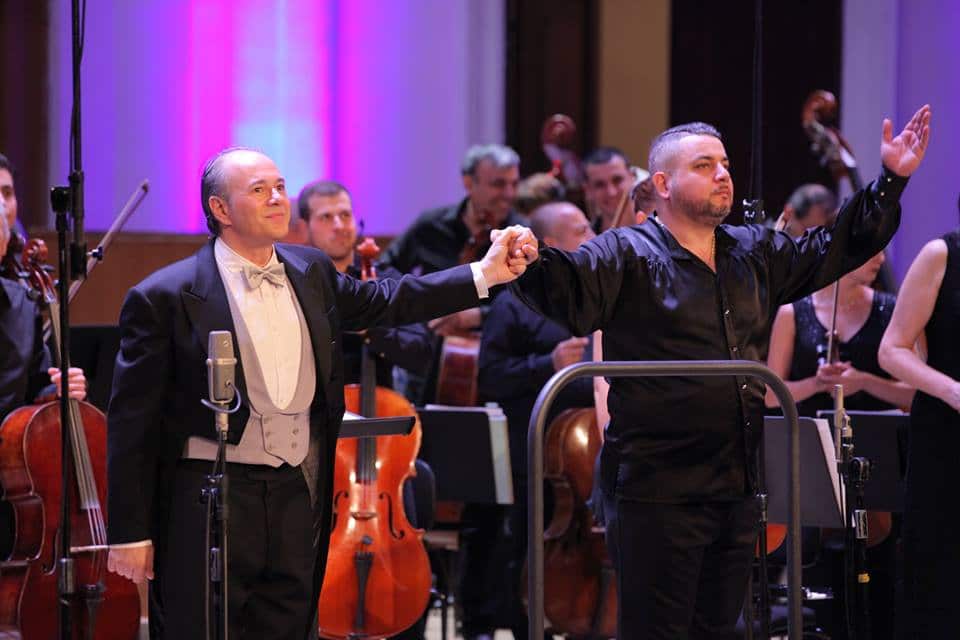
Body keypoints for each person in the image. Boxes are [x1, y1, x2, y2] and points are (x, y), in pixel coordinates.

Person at [507, 106, 931, 638]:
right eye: (704, 165)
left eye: (725, 164)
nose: (723, 174)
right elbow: (567, 284)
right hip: (657, 492)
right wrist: (529, 259)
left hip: (736, 485)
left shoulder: (753, 250)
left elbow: (832, 248)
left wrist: (890, 181)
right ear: (663, 185)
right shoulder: (625, 253)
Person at [104, 147, 536, 640]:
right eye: (259, 190)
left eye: (280, 187)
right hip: (208, 496)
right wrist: (130, 532)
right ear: (220, 209)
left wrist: (485, 274)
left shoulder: (311, 271)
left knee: (291, 626)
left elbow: (389, 298)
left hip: (296, 490)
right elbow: (132, 423)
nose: (277, 198)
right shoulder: (164, 296)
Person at [765, 250, 913, 640]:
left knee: (878, 569)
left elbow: (914, 395)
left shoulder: (891, 310)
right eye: (870, 248)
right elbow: (770, 394)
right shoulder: (792, 312)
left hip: (875, 464)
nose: (880, 257)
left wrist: (864, 381)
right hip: (813, 464)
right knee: (819, 568)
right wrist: (816, 384)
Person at [475, 202, 596, 639]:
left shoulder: (597, 296)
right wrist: (548, 363)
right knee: (529, 546)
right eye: (581, 231)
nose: (592, 237)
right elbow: (490, 376)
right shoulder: (513, 304)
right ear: (552, 245)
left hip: (591, 450)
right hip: (537, 455)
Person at [878, 201, 960, 639]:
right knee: (941, 578)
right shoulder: (941, 255)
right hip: (946, 438)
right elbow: (892, 349)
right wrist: (951, 390)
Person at [298, 179, 434, 386]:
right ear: (304, 227)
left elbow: (422, 353)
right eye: (326, 217)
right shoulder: (296, 282)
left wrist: (371, 330)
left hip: (377, 402)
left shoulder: (384, 279)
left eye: (345, 215)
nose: (339, 226)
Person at [773, 183, 838, 238]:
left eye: (819, 234)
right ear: (788, 214)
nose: (813, 241)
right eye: (806, 232)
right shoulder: (768, 242)